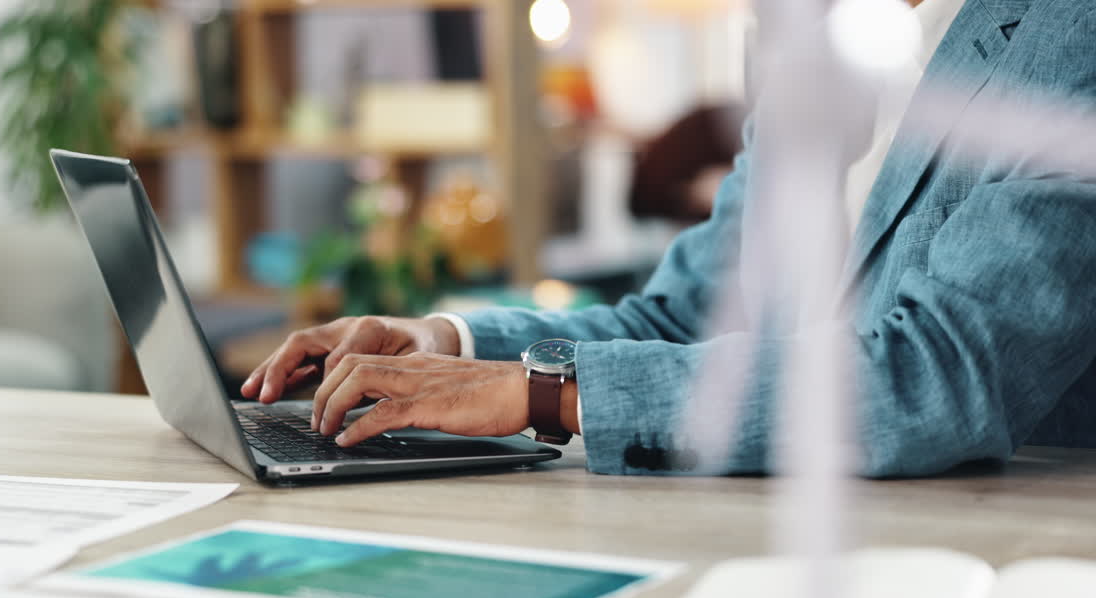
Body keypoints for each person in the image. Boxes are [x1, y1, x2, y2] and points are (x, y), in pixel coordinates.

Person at [242, 0, 1096, 477]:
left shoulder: (1069, 37)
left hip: (988, 574)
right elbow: (688, 314)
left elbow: (939, 375)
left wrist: (546, 395)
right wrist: (445, 344)